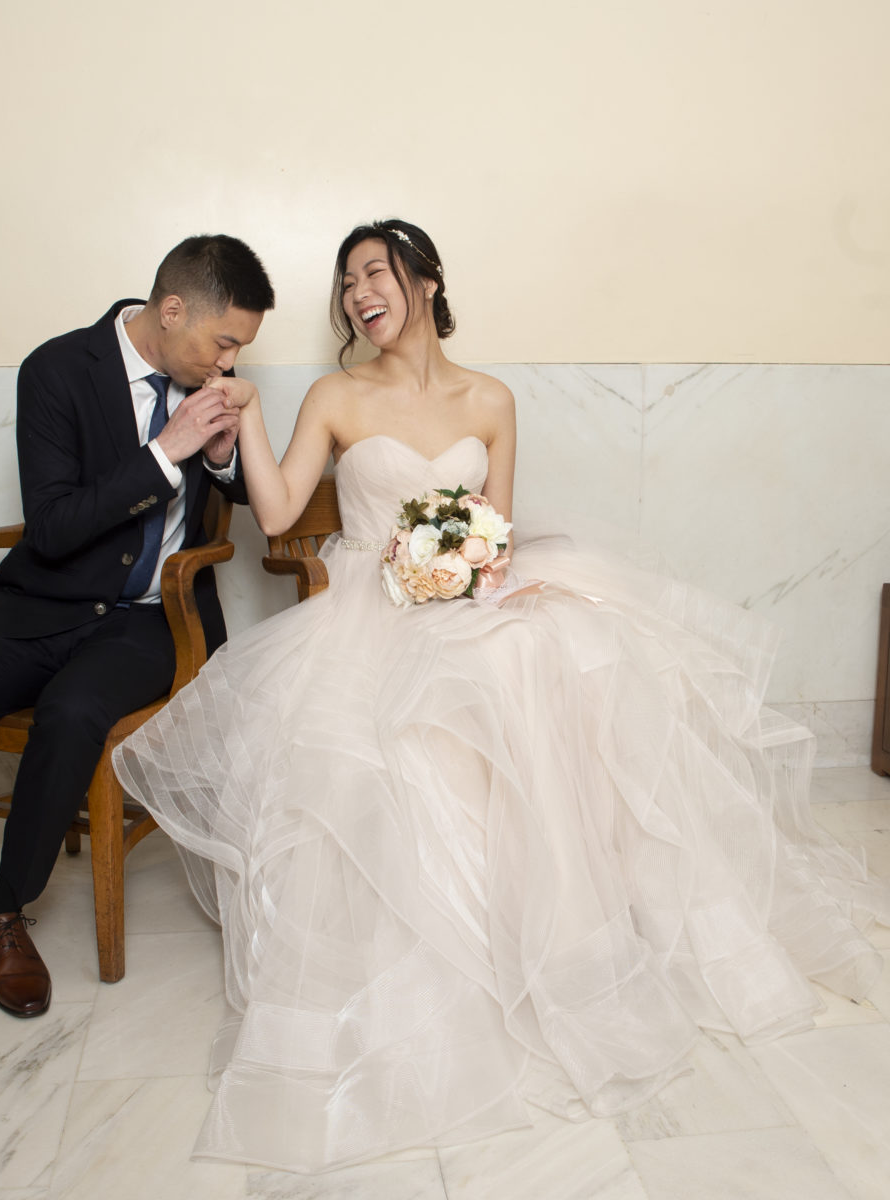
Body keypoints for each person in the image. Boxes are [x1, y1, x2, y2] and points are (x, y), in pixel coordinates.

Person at [113, 219, 890, 1173]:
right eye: (349, 280)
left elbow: (501, 532)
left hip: (471, 594)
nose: (361, 292)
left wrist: (474, 566)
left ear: (427, 282)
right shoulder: (333, 393)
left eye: (378, 272)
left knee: (555, 654)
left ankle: (573, 948)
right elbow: (276, 514)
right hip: (372, 607)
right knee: (445, 697)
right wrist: (257, 420)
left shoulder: (493, 398)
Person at [0, 234, 275, 1017]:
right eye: (223, 342)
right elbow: (49, 527)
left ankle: (7, 909)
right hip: (38, 605)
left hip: (153, 621)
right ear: (172, 309)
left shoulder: (209, 380)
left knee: (73, 713)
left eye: (238, 351)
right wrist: (166, 451)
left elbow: (253, 496)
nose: (227, 364)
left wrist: (216, 456)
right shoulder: (55, 370)